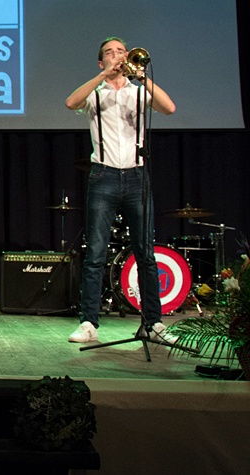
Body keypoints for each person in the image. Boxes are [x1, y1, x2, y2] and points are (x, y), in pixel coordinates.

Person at [65, 37, 177, 344]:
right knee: (95, 253)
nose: (117, 56)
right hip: (104, 175)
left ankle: (153, 323)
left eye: (121, 52)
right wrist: (103, 76)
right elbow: (71, 102)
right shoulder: (96, 93)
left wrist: (141, 78)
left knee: (146, 254)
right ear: (101, 62)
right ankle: (89, 323)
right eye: (110, 53)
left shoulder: (138, 92)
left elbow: (169, 108)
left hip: (137, 176)